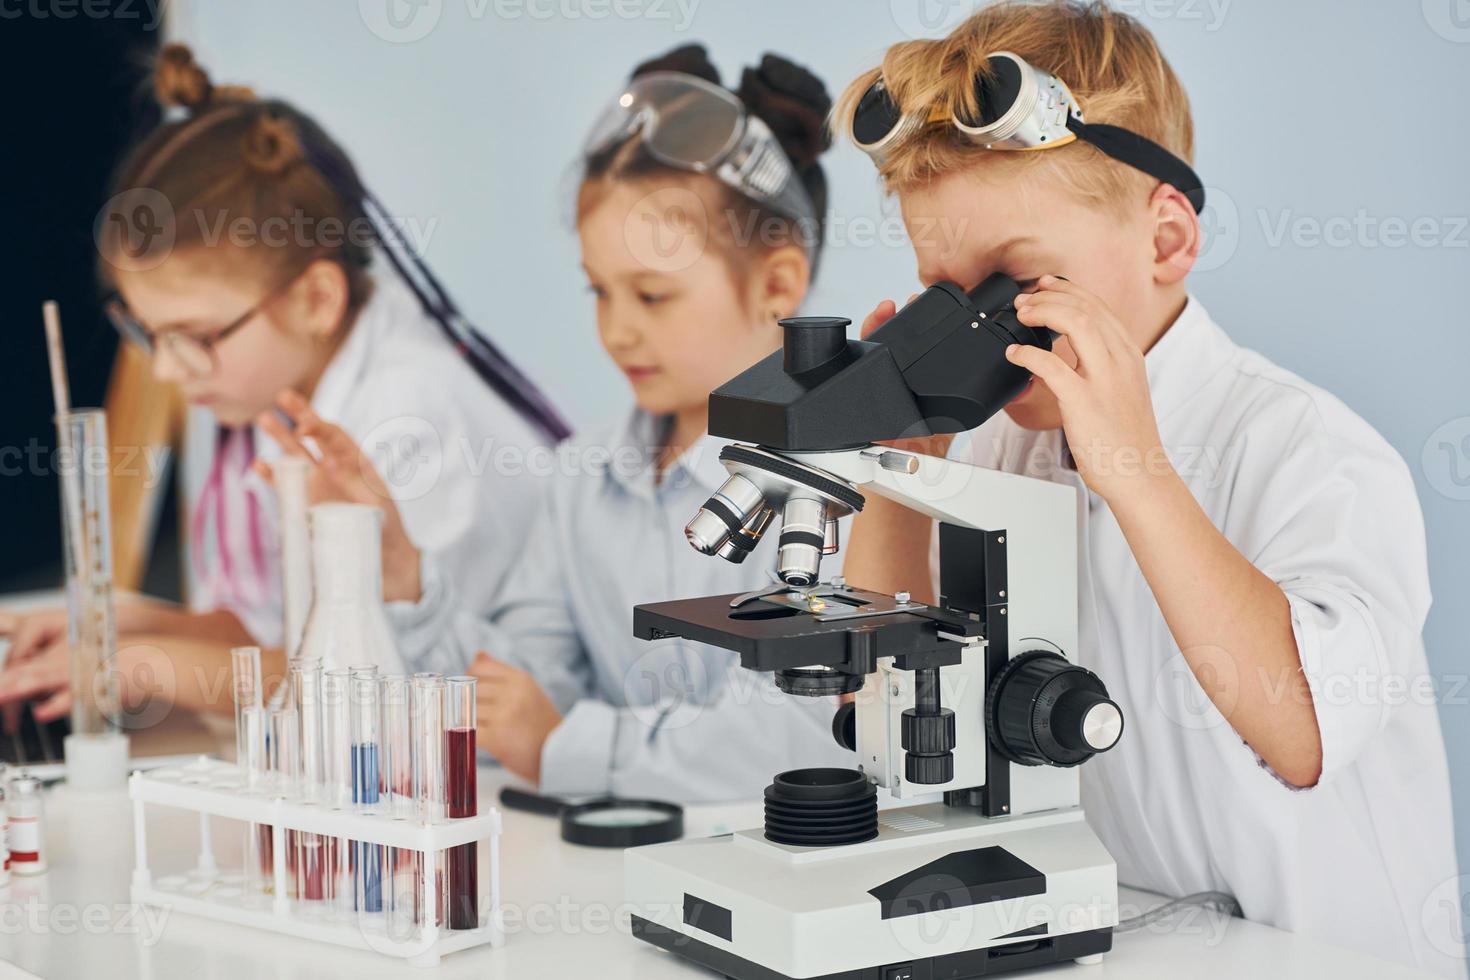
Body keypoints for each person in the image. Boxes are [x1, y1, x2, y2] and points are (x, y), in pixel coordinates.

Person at [830, 3, 1462, 975]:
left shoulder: (1309, 449)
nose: (975, 337)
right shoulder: (997, 450)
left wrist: (1134, 471)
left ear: (1166, 241)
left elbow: (1302, 731)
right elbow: (887, 704)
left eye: (1009, 287)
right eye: (942, 294)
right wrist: (897, 477)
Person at [273, 45, 854, 803]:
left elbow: (801, 734)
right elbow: (522, 690)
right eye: (599, 292)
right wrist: (404, 577)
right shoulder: (582, 478)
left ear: (777, 283)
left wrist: (570, 747)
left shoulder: (838, 480)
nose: (616, 331)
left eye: (651, 296)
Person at [0, 44, 566, 720]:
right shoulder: (270, 398)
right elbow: (286, 634)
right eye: (148, 333)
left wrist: (143, 664)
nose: (167, 369)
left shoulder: (410, 415)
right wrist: (128, 626)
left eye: (197, 337)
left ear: (317, 300)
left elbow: (370, 687)